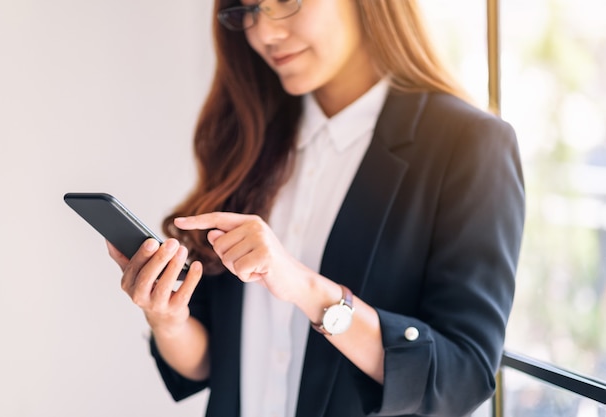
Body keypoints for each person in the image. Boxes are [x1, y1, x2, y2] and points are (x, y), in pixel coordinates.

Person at [108, 0, 525, 416]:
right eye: (249, 9)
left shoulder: (470, 145)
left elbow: (464, 377)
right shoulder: (249, 135)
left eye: (286, 2)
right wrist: (167, 319)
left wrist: (309, 290)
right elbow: (212, 364)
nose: (264, 33)